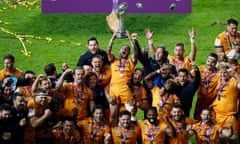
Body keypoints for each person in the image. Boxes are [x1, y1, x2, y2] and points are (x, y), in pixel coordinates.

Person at [106, 32, 137, 125]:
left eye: (126, 49)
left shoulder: (130, 62)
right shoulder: (114, 60)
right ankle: (114, 135)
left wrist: (130, 39)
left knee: (130, 114)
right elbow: (108, 52)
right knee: (113, 115)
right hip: (114, 89)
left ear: (129, 52)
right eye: (122, 49)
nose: (124, 50)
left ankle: (129, 135)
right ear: (119, 51)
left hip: (125, 88)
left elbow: (136, 53)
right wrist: (112, 38)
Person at [210, 62, 240, 144]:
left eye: (225, 72)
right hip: (218, 115)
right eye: (221, 72)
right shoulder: (219, 80)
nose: (223, 74)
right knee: (221, 138)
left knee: (233, 138)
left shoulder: (234, 81)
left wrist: (235, 73)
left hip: (230, 116)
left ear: (229, 73)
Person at [194, 53, 219, 120]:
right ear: (206, 61)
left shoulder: (219, 74)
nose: (210, 64)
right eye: (208, 61)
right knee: (198, 121)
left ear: (216, 63)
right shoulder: (199, 69)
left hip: (212, 104)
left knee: (212, 122)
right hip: (200, 102)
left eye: (212, 62)